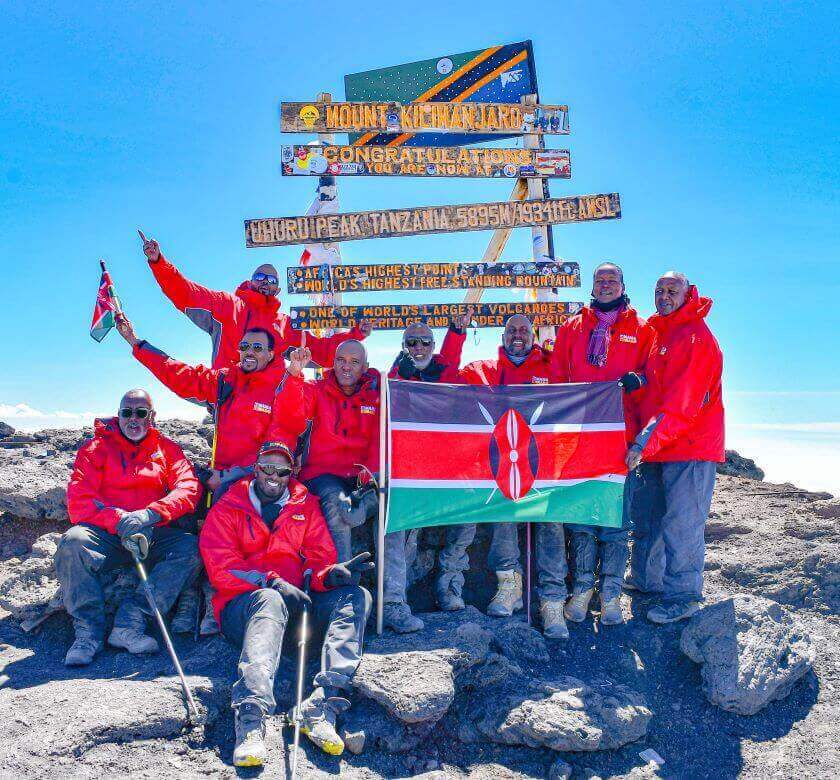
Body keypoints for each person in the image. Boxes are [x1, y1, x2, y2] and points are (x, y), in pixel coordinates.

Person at [200, 441, 373, 766]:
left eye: (282, 470)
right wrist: (270, 581)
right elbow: (220, 567)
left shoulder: (303, 504)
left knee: (356, 596)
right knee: (269, 600)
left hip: (295, 610)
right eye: (267, 467)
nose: (274, 476)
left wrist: (331, 575)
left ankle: (322, 705)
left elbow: (319, 556)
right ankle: (251, 720)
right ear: (256, 468)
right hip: (246, 610)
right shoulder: (229, 505)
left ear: (291, 471)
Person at [272, 340, 421, 634]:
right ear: (332, 362)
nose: (346, 367)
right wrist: (294, 374)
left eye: (354, 361)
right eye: (341, 360)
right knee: (338, 507)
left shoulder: (378, 391)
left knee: (393, 507)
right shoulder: (316, 389)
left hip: (364, 475)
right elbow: (289, 416)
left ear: (365, 367)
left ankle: (392, 604)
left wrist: (371, 473)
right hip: (324, 474)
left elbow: (397, 416)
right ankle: (346, 600)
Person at [54, 390, 202, 666]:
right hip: (108, 534)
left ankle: (130, 622)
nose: (133, 419)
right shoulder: (94, 450)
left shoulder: (167, 449)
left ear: (152, 417)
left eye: (141, 413)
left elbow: (189, 488)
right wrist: (120, 520)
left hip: (151, 533)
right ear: (118, 414)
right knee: (72, 542)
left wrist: (150, 515)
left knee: (191, 549)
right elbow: (78, 502)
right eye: (126, 412)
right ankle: (88, 632)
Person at [551, 263, 653, 626]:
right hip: (578, 441)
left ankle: (610, 594)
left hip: (619, 440)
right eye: (600, 280)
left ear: (624, 285)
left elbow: (653, 376)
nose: (606, 284)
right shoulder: (573, 328)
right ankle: (581, 590)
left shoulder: (641, 329)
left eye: (612, 279)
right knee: (581, 519)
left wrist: (638, 381)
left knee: (615, 520)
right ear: (592, 286)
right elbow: (556, 380)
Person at [458, 314, 569, 638]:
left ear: (533, 335)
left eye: (523, 330)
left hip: (546, 465)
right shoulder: (484, 370)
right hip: (503, 464)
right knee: (503, 509)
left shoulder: (552, 367)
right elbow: (447, 380)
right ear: (503, 335)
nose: (517, 335)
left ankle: (552, 601)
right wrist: (455, 334)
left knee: (553, 522)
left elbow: (578, 397)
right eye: (511, 330)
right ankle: (510, 585)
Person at [624, 272, 724, 624]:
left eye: (671, 291)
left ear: (687, 294)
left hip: (690, 447)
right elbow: (656, 386)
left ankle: (683, 597)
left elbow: (684, 403)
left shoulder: (694, 336)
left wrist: (642, 441)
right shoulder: (661, 335)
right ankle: (646, 581)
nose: (664, 296)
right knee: (649, 518)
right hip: (659, 447)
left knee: (682, 523)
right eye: (659, 291)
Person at [138, 231, 370, 372]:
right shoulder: (226, 305)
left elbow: (320, 351)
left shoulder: (284, 324)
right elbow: (185, 293)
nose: (264, 282)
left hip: (268, 404)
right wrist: (159, 261)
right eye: (260, 277)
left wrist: (355, 334)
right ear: (250, 281)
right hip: (228, 396)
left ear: (277, 289)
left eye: (271, 280)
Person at [116, 315, 286, 494]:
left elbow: (277, 450)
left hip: (257, 478)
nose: (249, 351)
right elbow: (181, 375)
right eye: (244, 347)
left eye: (257, 347)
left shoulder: (282, 389)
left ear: (271, 354)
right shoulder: (226, 380)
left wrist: (228, 476)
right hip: (218, 475)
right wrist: (135, 342)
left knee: (225, 506)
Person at [387, 314, 475, 611]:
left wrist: (458, 330)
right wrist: (406, 376)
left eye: (425, 341)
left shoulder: (444, 370)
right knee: (402, 525)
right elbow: (389, 406)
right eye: (412, 342)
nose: (419, 347)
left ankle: (450, 583)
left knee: (469, 515)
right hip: (411, 471)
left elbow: (453, 355)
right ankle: (403, 590)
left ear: (433, 344)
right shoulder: (396, 374)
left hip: (448, 467)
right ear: (403, 346)